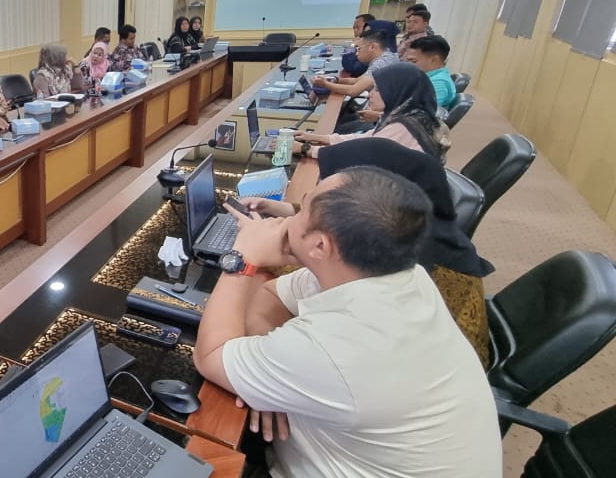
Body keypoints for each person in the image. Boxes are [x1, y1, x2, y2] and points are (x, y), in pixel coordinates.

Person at [194, 166, 502, 477]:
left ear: (320, 246)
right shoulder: (401, 275)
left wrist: (242, 258)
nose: (287, 219)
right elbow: (272, 294)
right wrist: (265, 376)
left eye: (303, 204)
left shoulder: (338, 347)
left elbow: (208, 355)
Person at [241, 138, 496, 368]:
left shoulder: (414, 261)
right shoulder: (418, 233)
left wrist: (254, 246)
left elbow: (319, 265)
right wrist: (285, 212)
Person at [298, 63, 450, 160]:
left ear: (396, 91)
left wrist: (307, 149)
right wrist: (316, 137)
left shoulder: (403, 127)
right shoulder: (408, 114)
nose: (370, 94)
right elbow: (367, 138)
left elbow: (362, 152)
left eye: (378, 89)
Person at [313, 28, 398, 99]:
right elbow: (357, 80)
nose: (356, 53)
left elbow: (353, 90)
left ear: (372, 47)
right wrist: (336, 79)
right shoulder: (386, 56)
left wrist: (325, 84)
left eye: (359, 49)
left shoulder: (382, 63)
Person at [404, 35, 459, 111]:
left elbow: (422, 112)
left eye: (413, 61)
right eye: (407, 61)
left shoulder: (438, 83)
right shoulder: (427, 77)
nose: (408, 65)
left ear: (434, 60)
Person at [340, 13, 375, 78]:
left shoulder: (371, 45)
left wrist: (352, 46)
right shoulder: (359, 43)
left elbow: (353, 68)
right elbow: (345, 63)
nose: (355, 30)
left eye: (358, 27)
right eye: (354, 28)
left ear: (368, 28)